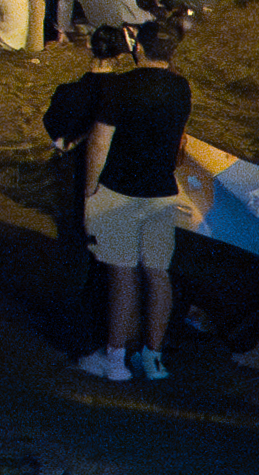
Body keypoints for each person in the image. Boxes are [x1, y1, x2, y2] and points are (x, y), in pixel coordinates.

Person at [74, 21, 192, 383]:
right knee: (158, 273)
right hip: (161, 191)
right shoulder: (181, 89)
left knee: (121, 272)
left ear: (138, 48)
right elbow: (180, 140)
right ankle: (154, 358)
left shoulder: (118, 87)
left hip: (119, 191)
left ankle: (114, 359)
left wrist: (89, 188)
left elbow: (99, 142)